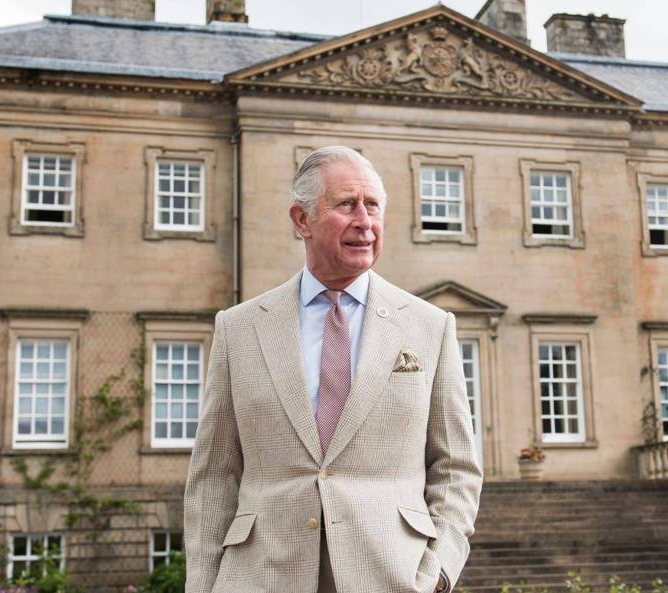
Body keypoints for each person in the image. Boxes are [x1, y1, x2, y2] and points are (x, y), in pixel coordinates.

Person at [182, 146, 482, 593]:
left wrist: (438, 572)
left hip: (393, 575)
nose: (365, 221)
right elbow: (213, 477)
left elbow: (456, 467)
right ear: (301, 220)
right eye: (346, 205)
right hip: (261, 576)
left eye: (373, 206)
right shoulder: (239, 328)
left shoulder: (429, 327)